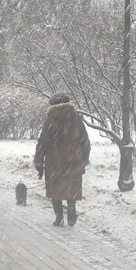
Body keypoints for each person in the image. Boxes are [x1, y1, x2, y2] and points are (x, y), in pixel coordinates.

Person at [34, 93, 91, 226]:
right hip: (73, 158)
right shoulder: (76, 118)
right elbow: (84, 139)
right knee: (71, 186)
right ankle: (71, 211)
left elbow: (42, 141)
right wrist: (84, 158)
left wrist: (38, 160)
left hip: (54, 159)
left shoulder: (50, 119)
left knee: (55, 187)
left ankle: (59, 216)